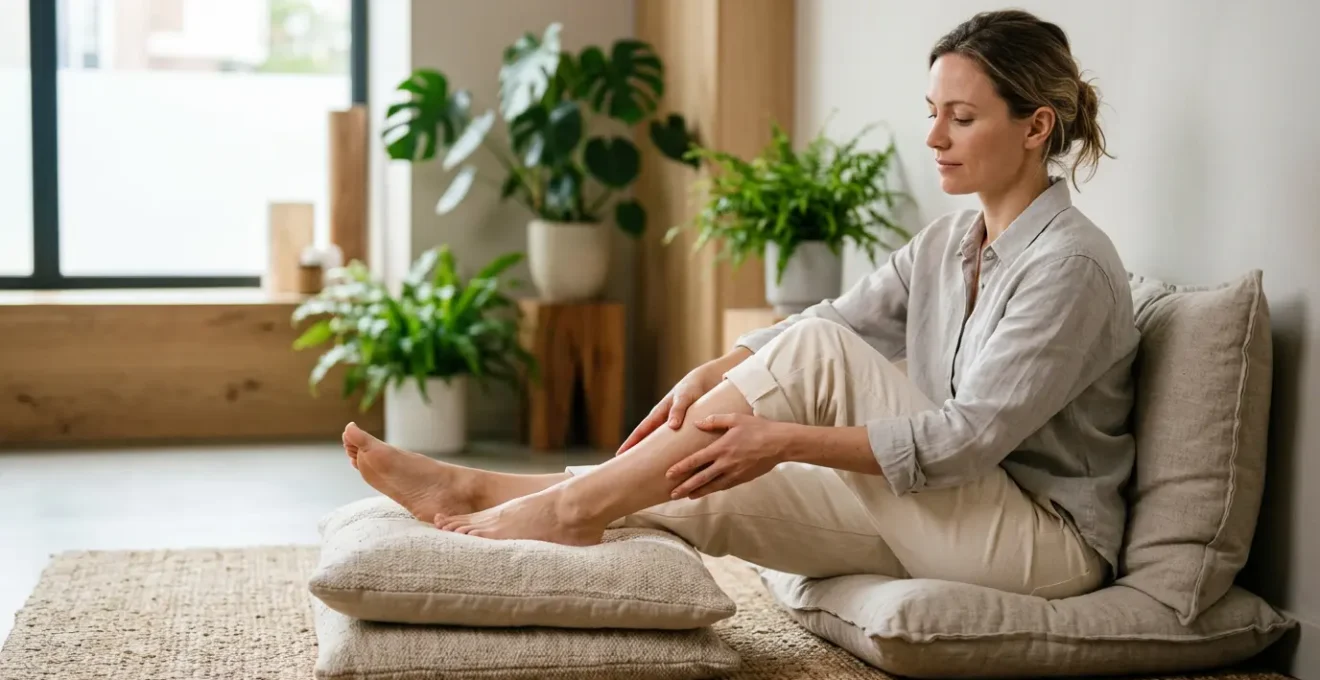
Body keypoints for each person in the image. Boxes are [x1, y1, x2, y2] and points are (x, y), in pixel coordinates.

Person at [340, 8, 1139, 600]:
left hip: (1042, 548)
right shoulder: (946, 243)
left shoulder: (1070, 266)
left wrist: (784, 440)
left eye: (961, 119)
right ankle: (483, 492)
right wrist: (718, 368)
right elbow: (835, 316)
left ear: (1036, 127)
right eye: (932, 114)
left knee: (816, 359)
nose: (934, 138)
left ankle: (572, 506)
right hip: (951, 516)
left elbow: (963, 441)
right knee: (708, 483)